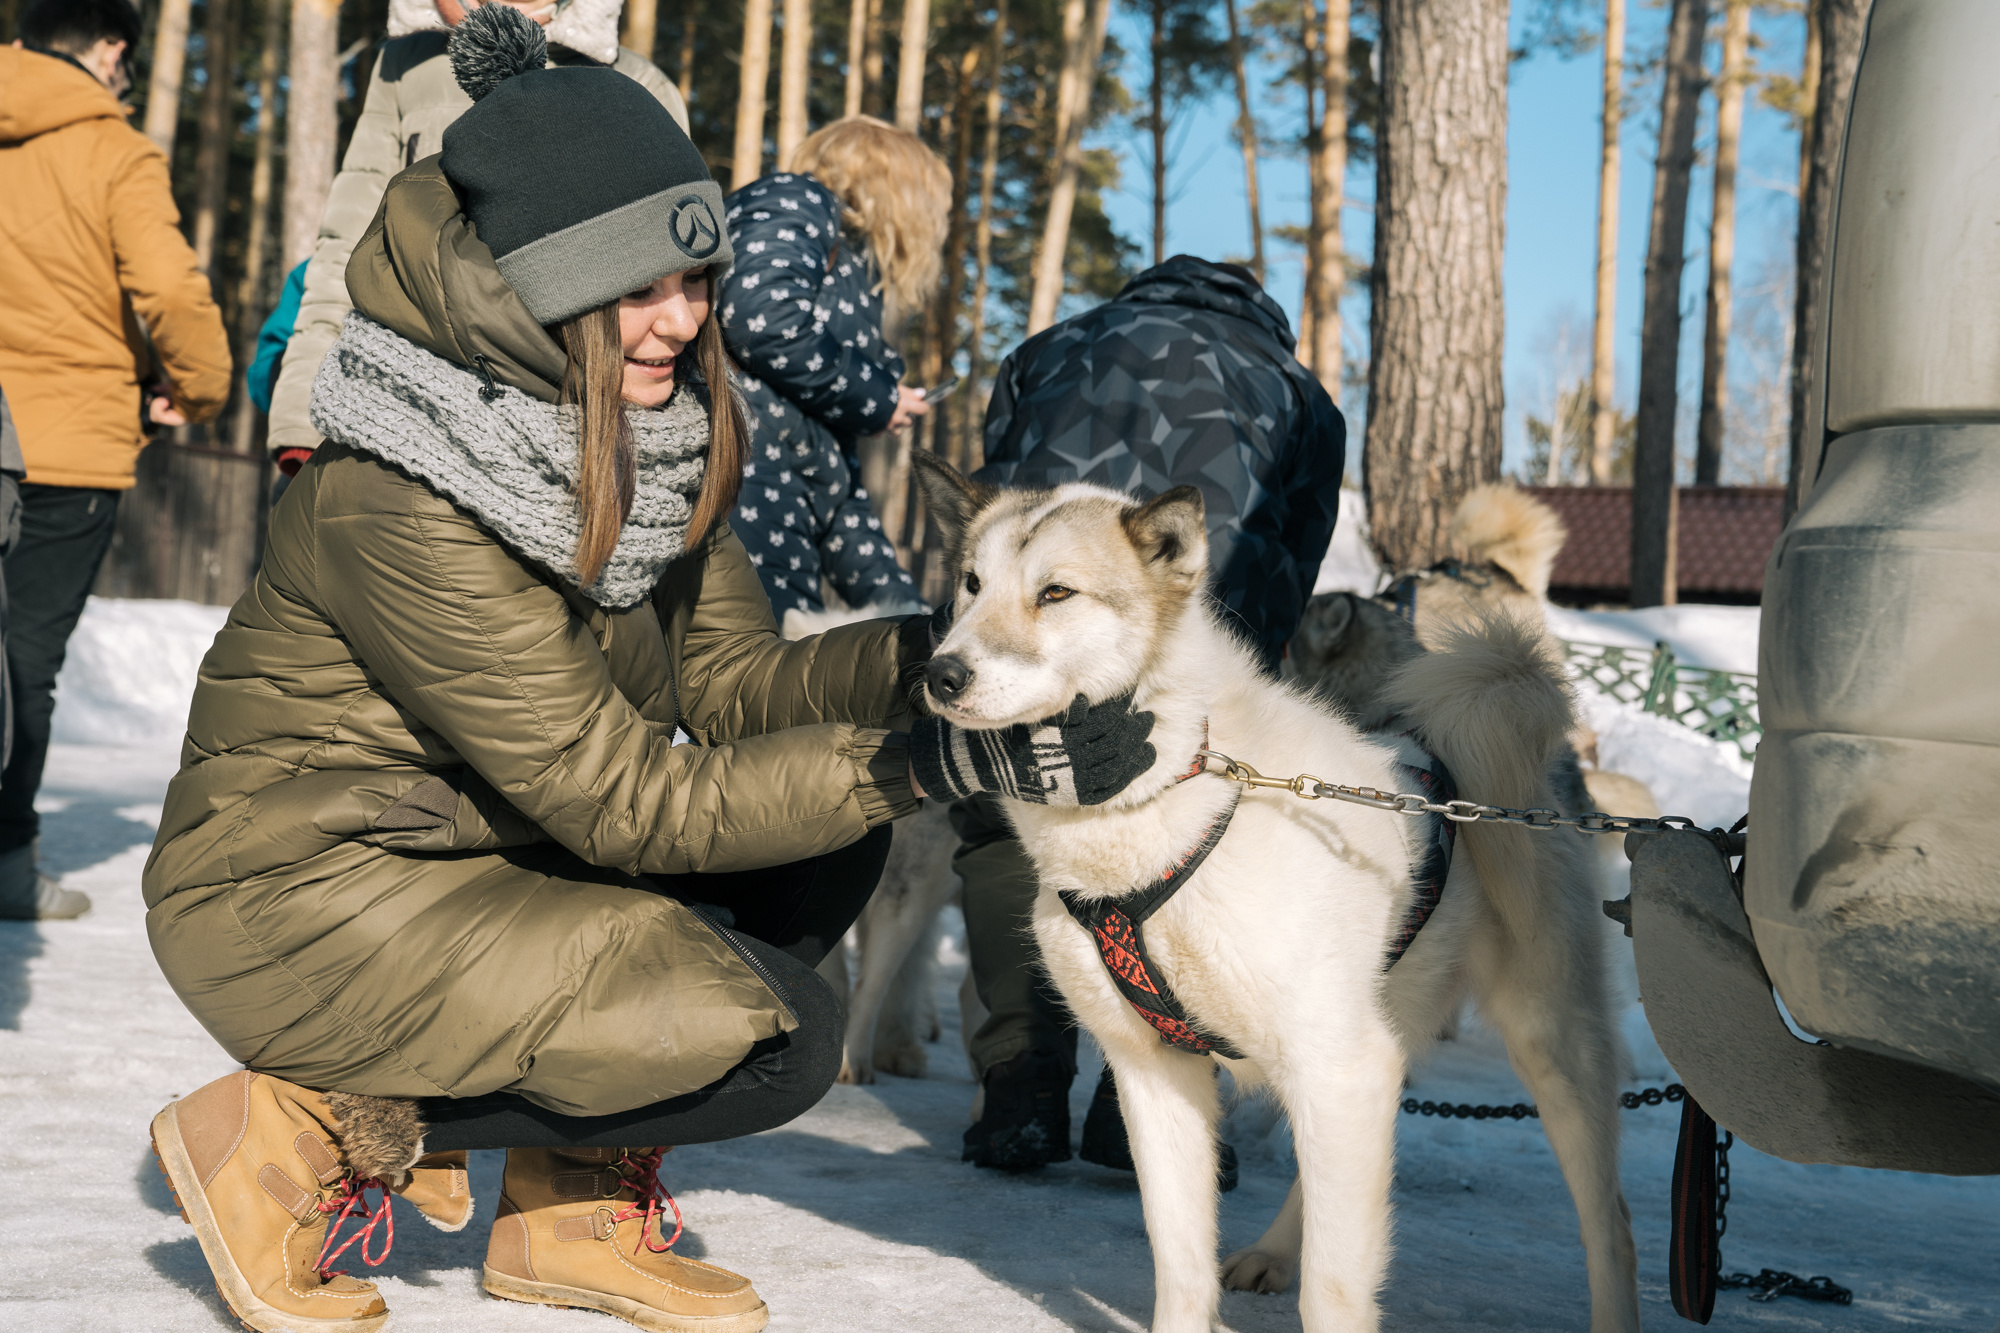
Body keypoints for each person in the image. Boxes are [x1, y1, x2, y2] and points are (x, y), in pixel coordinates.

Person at [144, 14, 934, 1333]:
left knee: (821, 847)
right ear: (539, 285)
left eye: (696, 283)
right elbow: (623, 803)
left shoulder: (652, 439)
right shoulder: (401, 494)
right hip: (299, 895)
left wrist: (944, 660)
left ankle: (565, 1210)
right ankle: (290, 1127)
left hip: (480, 857)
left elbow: (736, 683)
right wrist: (924, 759)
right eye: (641, 288)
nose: (683, 322)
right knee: (776, 1032)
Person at [952, 255, 1347, 1172]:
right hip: (1176, 632)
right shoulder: (1301, 394)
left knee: (1007, 817)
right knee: (1176, 845)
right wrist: (1246, 671)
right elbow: (1295, 551)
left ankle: (1019, 1076)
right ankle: (1145, 1102)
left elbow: (996, 499)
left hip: (1026, 625)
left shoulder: (1049, 346)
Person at [0, 0, 232, 921]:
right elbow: (169, 286)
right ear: (106, 50)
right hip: (66, 440)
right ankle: (8, 866)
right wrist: (200, 389)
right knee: (25, 658)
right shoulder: (112, 147)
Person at [261, 0, 689, 480]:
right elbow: (349, 249)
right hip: (401, 404)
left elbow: (671, 281)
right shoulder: (407, 65)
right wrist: (303, 413)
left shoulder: (639, 86)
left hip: (564, 421)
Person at [718, 117, 950, 619]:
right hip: (735, 483)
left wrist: (919, 628)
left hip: (778, 508)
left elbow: (839, 504)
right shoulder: (798, 198)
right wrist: (879, 398)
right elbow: (759, 315)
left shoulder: (850, 276)